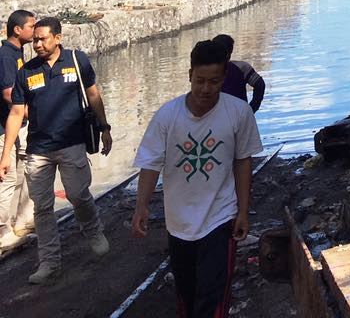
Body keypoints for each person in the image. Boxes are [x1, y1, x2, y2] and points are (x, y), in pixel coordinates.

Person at [132, 38, 262, 318]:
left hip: (220, 217)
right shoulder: (167, 116)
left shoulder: (238, 113)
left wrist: (242, 210)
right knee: (187, 295)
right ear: (189, 75)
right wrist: (141, 206)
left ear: (224, 78)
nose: (206, 89)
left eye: (214, 82)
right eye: (200, 80)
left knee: (212, 297)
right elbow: (151, 163)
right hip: (178, 221)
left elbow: (242, 161)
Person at [0, 16, 111, 283]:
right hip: (39, 150)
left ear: (58, 38)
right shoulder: (26, 71)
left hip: (72, 144)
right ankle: (49, 262)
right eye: (35, 39)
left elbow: (93, 94)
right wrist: (5, 155)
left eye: (42, 39)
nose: (37, 44)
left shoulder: (76, 60)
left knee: (77, 194)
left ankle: (93, 230)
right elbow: (16, 113)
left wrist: (104, 127)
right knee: (42, 208)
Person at [0, 9, 36, 246]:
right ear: (17, 29)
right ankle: (2, 231)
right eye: (31, 26)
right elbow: (7, 93)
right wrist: (33, 112)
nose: (35, 30)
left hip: (19, 123)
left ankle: (23, 221)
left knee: (28, 170)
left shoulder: (18, 52)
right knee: (8, 176)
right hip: (5, 126)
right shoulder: (5, 55)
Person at [210, 34, 266, 112]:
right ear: (231, 51)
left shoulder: (206, 71)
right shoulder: (242, 67)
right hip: (240, 115)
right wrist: (252, 109)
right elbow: (260, 85)